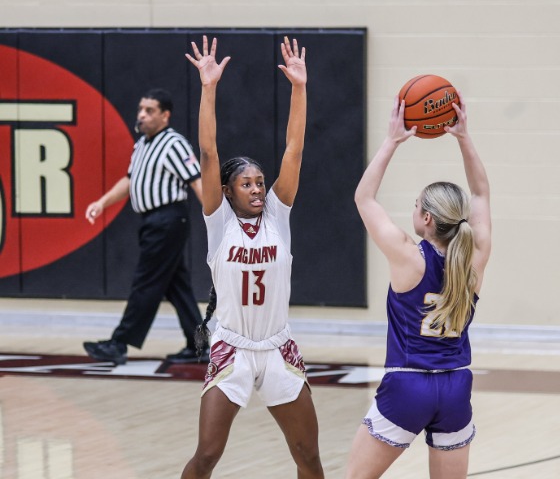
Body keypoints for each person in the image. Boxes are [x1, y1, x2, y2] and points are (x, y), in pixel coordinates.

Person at [180, 36, 324, 479]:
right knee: (207, 455)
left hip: (279, 348)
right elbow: (209, 152)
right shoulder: (218, 221)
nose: (258, 189)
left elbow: (294, 150)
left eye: (260, 182)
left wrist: (299, 88)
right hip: (233, 349)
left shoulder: (278, 214)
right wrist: (208, 88)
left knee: (308, 457)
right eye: (247, 184)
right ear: (227, 191)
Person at [345, 93, 491, 479]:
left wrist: (392, 141)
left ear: (426, 218)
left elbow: (363, 198)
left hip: (409, 385)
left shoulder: (409, 257)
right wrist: (464, 138)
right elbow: (480, 193)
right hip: (456, 385)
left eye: (415, 205)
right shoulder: (475, 257)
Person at [83, 88, 210, 366]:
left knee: (146, 281)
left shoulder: (174, 143)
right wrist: (102, 203)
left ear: (165, 115)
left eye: (149, 110)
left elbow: (196, 180)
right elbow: (130, 180)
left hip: (168, 220)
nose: (141, 115)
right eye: (141, 109)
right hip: (153, 222)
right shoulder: (141, 144)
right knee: (177, 286)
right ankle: (199, 345)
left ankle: (119, 343)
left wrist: (216, 218)